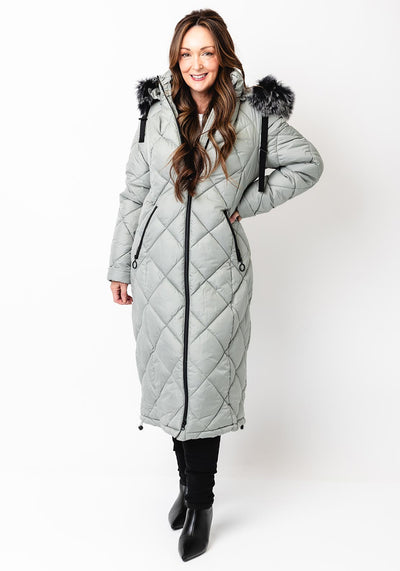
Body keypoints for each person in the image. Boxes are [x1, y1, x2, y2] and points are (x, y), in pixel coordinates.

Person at [107, 8, 324, 562]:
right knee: (172, 379)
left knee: (203, 381)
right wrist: (120, 265)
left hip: (217, 275)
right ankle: (186, 486)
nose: (196, 64)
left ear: (223, 55)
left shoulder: (253, 115)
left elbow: (307, 163)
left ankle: (201, 504)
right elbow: (135, 193)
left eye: (206, 52)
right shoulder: (155, 113)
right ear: (175, 59)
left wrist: (246, 203)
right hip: (157, 272)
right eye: (186, 53)